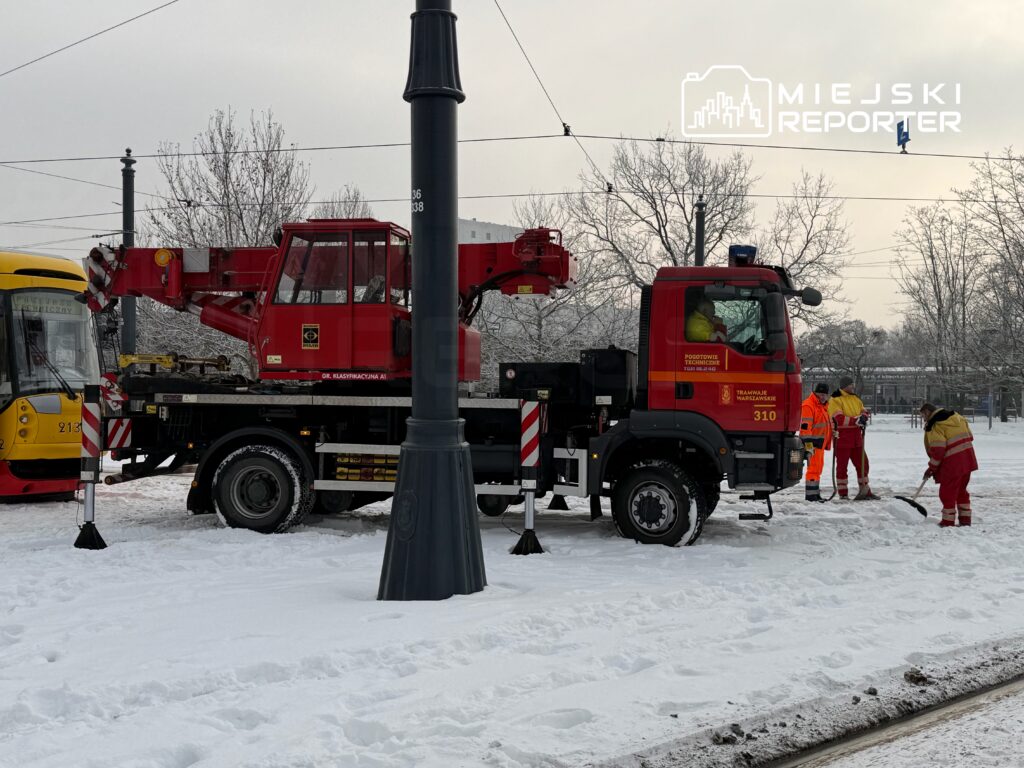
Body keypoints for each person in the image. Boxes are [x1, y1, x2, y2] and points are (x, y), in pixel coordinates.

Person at [919, 402, 978, 528]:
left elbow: (938, 450)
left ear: (927, 412)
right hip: (968, 460)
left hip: (952, 464)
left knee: (947, 493)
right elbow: (970, 436)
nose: (923, 419)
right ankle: (965, 520)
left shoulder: (935, 425)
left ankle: (948, 522)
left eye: (923, 415)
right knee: (961, 491)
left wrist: (931, 468)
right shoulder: (958, 417)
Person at [827, 376, 879, 500]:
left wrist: (864, 417)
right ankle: (843, 493)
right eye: (851, 384)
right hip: (842, 439)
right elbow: (837, 419)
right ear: (845, 386)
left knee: (863, 464)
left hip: (856, 439)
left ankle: (865, 490)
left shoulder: (855, 398)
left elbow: (864, 411)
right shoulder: (835, 399)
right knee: (842, 467)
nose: (853, 386)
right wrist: (855, 420)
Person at [800, 382, 833, 502]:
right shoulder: (808, 406)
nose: (823, 397)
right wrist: (809, 448)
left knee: (818, 469)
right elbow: (805, 430)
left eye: (825, 394)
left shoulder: (823, 406)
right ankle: (811, 496)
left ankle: (815, 493)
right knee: (813, 470)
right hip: (813, 445)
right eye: (821, 394)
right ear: (815, 393)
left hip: (820, 444)